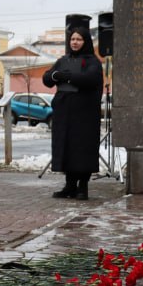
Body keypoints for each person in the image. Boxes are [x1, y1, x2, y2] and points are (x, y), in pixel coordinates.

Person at [43, 17, 105, 201]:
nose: (75, 42)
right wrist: (56, 74)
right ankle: (69, 185)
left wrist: (68, 77)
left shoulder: (92, 61)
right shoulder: (63, 60)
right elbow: (47, 78)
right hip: (64, 112)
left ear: (85, 42)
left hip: (84, 114)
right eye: (72, 39)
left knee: (82, 149)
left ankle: (82, 187)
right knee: (66, 148)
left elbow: (91, 79)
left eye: (78, 39)